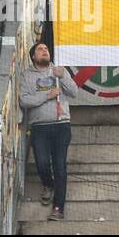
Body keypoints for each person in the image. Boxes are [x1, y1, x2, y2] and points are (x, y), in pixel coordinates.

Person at [19, 42, 76, 220]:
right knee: (42, 163)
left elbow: (74, 92)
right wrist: (47, 96)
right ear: (33, 57)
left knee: (60, 166)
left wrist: (64, 76)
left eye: (46, 49)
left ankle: (58, 208)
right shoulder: (27, 75)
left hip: (61, 125)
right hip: (39, 127)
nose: (45, 51)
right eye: (40, 49)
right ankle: (48, 184)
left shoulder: (59, 70)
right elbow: (24, 100)